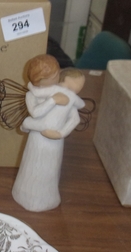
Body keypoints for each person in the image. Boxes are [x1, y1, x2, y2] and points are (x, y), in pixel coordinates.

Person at [12, 55, 85, 212]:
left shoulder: (67, 96)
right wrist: (53, 100)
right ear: (39, 79)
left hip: (54, 141)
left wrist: (61, 133)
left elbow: (75, 119)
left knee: (49, 168)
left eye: (57, 74)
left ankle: (47, 197)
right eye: (52, 76)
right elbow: (36, 113)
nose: (56, 78)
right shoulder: (32, 95)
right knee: (33, 165)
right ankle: (24, 194)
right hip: (37, 140)